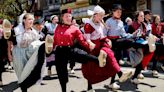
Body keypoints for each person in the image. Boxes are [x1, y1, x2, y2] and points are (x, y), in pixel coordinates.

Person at [82, 5, 132, 91]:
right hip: (92, 47)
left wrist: (107, 39)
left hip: (101, 44)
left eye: (103, 16)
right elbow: (87, 39)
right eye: (101, 15)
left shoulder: (101, 23)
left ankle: (120, 74)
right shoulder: (88, 25)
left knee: (110, 55)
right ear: (95, 15)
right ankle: (89, 88)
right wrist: (90, 43)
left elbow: (102, 36)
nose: (102, 17)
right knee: (91, 68)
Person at [8, 13, 52, 92]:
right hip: (18, 53)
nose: (31, 21)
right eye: (29, 19)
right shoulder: (15, 30)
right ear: (24, 20)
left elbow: (36, 41)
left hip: (29, 52)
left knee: (37, 44)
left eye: (32, 19)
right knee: (21, 73)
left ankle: (44, 45)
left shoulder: (34, 31)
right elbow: (9, 41)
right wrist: (9, 54)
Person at [128, 11, 157, 84]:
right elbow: (129, 36)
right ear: (137, 17)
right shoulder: (132, 25)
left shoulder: (143, 24)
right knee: (141, 58)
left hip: (142, 43)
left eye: (143, 16)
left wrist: (147, 36)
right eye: (141, 16)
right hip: (134, 44)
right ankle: (135, 76)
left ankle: (137, 73)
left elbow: (144, 35)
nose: (143, 17)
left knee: (152, 50)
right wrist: (136, 35)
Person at [0, 19, 11, 86]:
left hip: (2, 49)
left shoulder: (4, 30)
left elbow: (7, 40)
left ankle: (0, 80)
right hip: (2, 49)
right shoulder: (3, 30)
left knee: (1, 66)